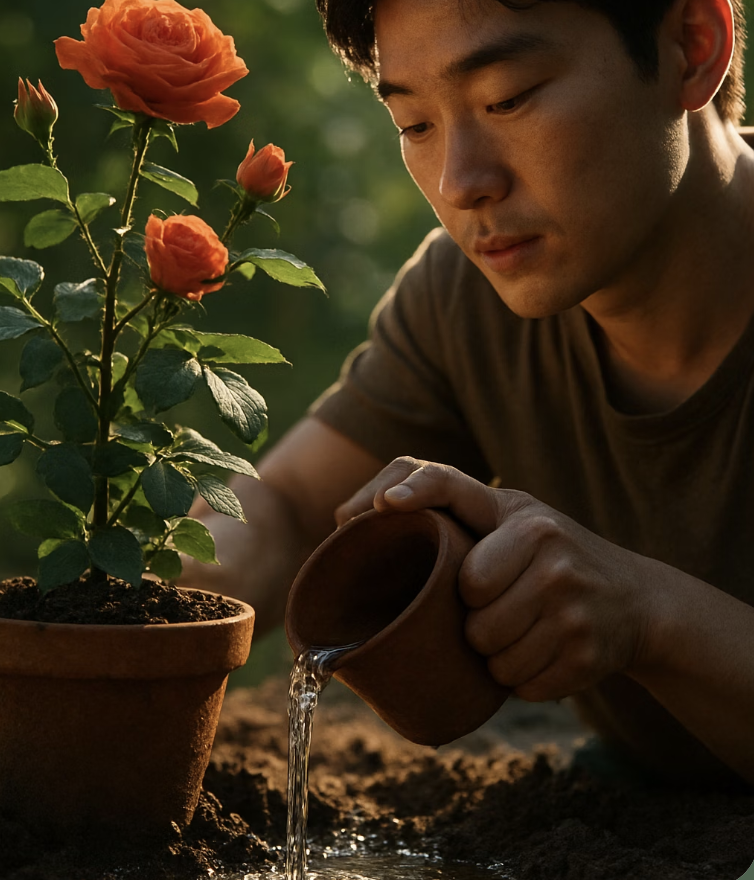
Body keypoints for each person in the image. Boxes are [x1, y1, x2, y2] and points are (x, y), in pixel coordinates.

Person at [182, 0, 754, 789]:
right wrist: (168, 596)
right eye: (415, 125)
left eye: (508, 98)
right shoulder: (468, 298)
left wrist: (648, 615)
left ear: (692, 45)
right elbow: (286, 506)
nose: (460, 183)